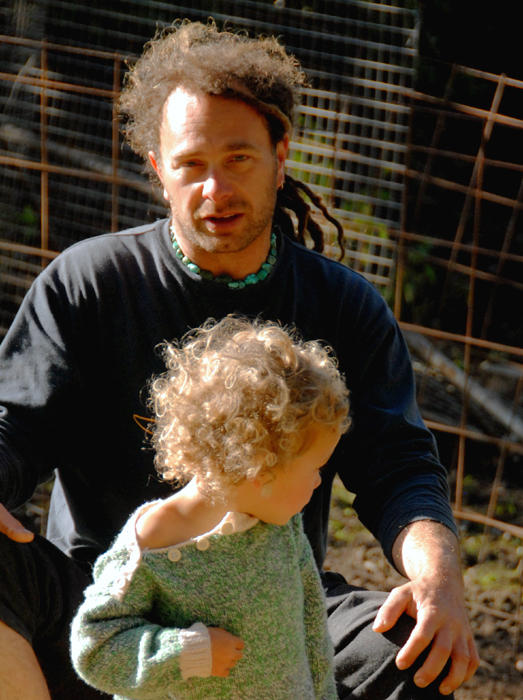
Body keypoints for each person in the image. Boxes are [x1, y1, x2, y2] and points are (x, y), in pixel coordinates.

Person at [0, 19, 478, 700]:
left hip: (273, 603)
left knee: (412, 650)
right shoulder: (87, 284)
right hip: (104, 603)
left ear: (281, 156)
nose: (214, 190)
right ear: (159, 167)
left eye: (239, 160)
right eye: (192, 164)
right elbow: (13, 426)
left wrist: (438, 581)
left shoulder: (342, 306)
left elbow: (397, 466)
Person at [70, 315, 349, 699]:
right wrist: (185, 653)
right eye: (314, 468)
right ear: (261, 467)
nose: (320, 482)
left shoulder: (282, 530)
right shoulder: (154, 541)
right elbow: (95, 649)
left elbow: (313, 635)